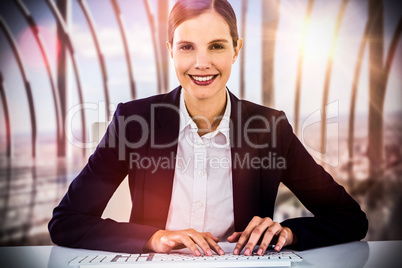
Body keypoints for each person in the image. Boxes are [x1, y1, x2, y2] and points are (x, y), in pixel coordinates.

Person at [48, 0, 368, 257]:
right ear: (171, 50)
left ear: (236, 50)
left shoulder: (270, 128)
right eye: (187, 47)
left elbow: (350, 218)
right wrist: (154, 238)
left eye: (216, 46)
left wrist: (290, 232)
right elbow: (66, 222)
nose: (202, 63)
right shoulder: (134, 122)